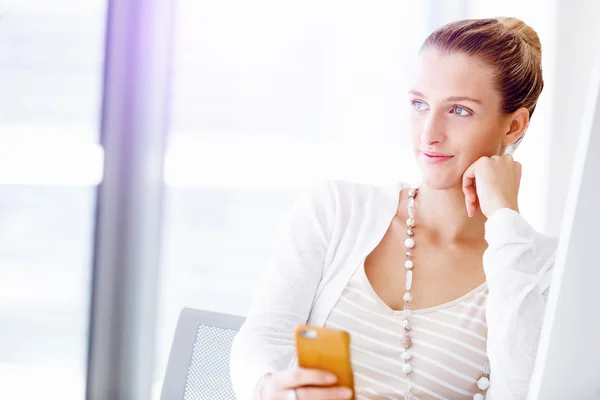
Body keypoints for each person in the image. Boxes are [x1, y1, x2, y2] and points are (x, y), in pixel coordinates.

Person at [230, 17, 557, 400]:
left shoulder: (542, 269)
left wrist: (504, 218)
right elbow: (263, 340)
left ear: (514, 126)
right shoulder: (336, 210)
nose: (428, 133)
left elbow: (524, 391)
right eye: (419, 104)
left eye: (459, 111)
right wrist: (274, 389)